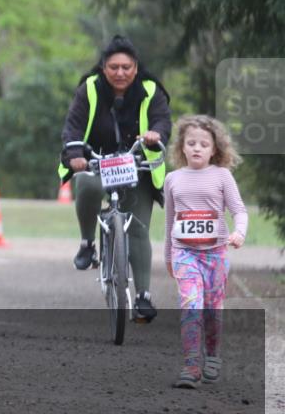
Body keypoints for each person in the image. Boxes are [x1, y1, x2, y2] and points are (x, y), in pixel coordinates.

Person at [59, 35, 171, 322]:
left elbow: (162, 119)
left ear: (136, 67)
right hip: (97, 160)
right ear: (103, 68)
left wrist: (156, 134)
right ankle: (87, 244)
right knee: (86, 184)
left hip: (137, 163)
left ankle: (143, 296)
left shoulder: (151, 89)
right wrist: (75, 153)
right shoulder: (89, 90)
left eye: (126, 67)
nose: (120, 73)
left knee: (139, 229)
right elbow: (73, 124)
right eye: (113, 67)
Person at [163, 115, 247, 389]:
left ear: (214, 149)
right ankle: (191, 364)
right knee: (191, 304)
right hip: (184, 253)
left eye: (203, 144)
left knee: (211, 309)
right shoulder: (173, 179)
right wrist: (167, 256)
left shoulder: (222, 176)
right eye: (191, 143)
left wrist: (239, 232)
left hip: (215, 255)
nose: (197, 148)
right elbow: (169, 222)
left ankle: (212, 354)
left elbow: (239, 210)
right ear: (182, 148)